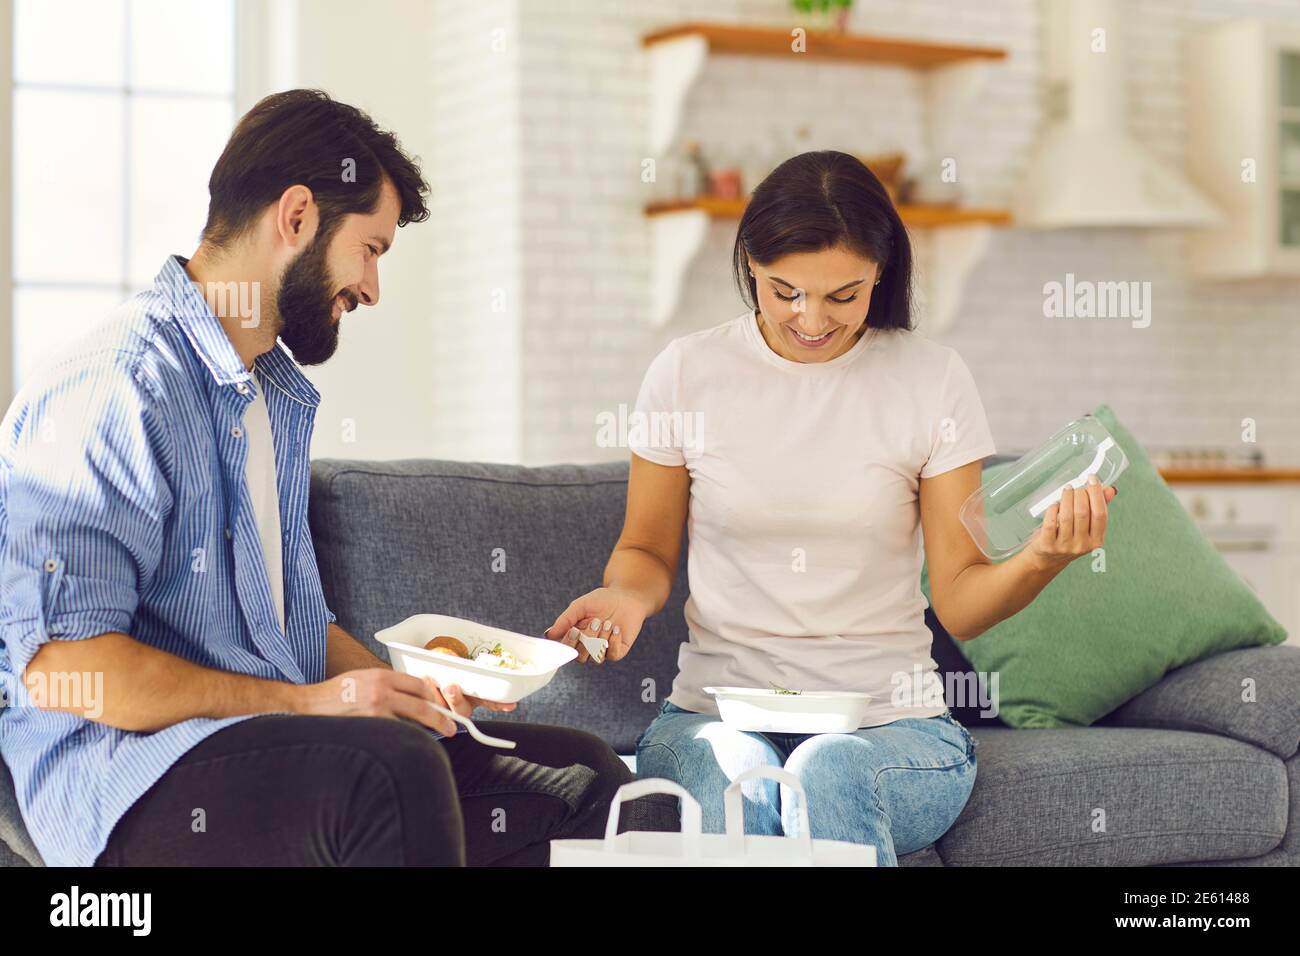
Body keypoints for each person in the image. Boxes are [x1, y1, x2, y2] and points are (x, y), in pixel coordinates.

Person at [0, 89, 656, 867]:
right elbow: (66, 671)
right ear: (299, 215)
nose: (372, 289)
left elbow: (298, 633)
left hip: (276, 745)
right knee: (391, 768)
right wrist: (312, 703)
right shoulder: (115, 383)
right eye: (371, 249)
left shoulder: (271, 397)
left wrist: (396, 692)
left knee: (590, 778)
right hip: (127, 783)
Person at [546, 150, 1117, 865]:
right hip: (713, 712)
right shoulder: (687, 373)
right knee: (737, 779)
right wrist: (625, 597)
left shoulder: (930, 379)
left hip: (889, 726)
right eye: (784, 291)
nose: (810, 319)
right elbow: (648, 552)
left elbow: (963, 602)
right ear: (749, 262)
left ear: (880, 272)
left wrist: (1043, 557)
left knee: (828, 773)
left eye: (842, 296)